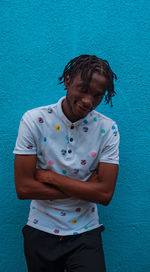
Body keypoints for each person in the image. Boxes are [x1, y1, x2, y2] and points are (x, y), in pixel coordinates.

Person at [13, 54, 120, 272]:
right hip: (40, 230)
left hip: (86, 233)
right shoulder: (34, 121)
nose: (88, 101)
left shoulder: (108, 129)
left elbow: (105, 195)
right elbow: (23, 188)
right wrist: (87, 187)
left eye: (97, 96)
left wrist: (50, 177)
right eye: (83, 89)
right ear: (68, 80)